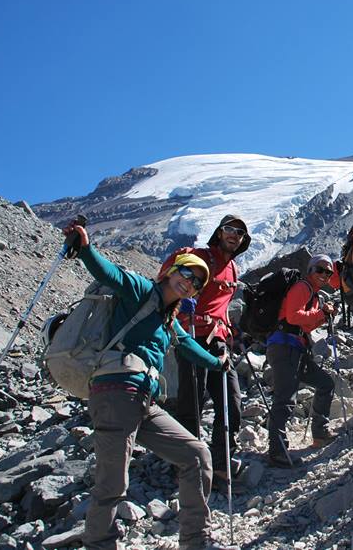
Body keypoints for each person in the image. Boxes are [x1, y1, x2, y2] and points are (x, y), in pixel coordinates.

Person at [63, 222, 230, 550]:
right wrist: (84, 248)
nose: (190, 282)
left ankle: (196, 541)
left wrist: (218, 363)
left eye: (197, 283)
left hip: (144, 400)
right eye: (186, 274)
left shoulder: (169, 320)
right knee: (112, 484)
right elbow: (110, 274)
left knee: (196, 455)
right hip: (115, 393)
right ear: (171, 271)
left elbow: (189, 348)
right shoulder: (141, 291)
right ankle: (100, 543)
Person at [158, 214, 250, 484]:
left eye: (240, 233)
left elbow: (221, 306)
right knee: (192, 402)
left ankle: (220, 462)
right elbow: (166, 285)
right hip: (191, 337)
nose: (234, 235)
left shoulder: (233, 268)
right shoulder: (197, 256)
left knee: (231, 401)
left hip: (219, 340)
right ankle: (187, 466)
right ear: (219, 233)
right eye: (229, 230)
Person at [265, 254, 339, 467]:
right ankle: (277, 451)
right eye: (320, 270)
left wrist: (323, 315)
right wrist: (321, 312)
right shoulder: (302, 288)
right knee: (285, 399)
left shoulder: (313, 295)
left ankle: (320, 433)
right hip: (284, 347)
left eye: (329, 272)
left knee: (326, 384)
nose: (325, 275)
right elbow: (293, 317)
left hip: (295, 349)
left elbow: (304, 326)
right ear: (310, 270)